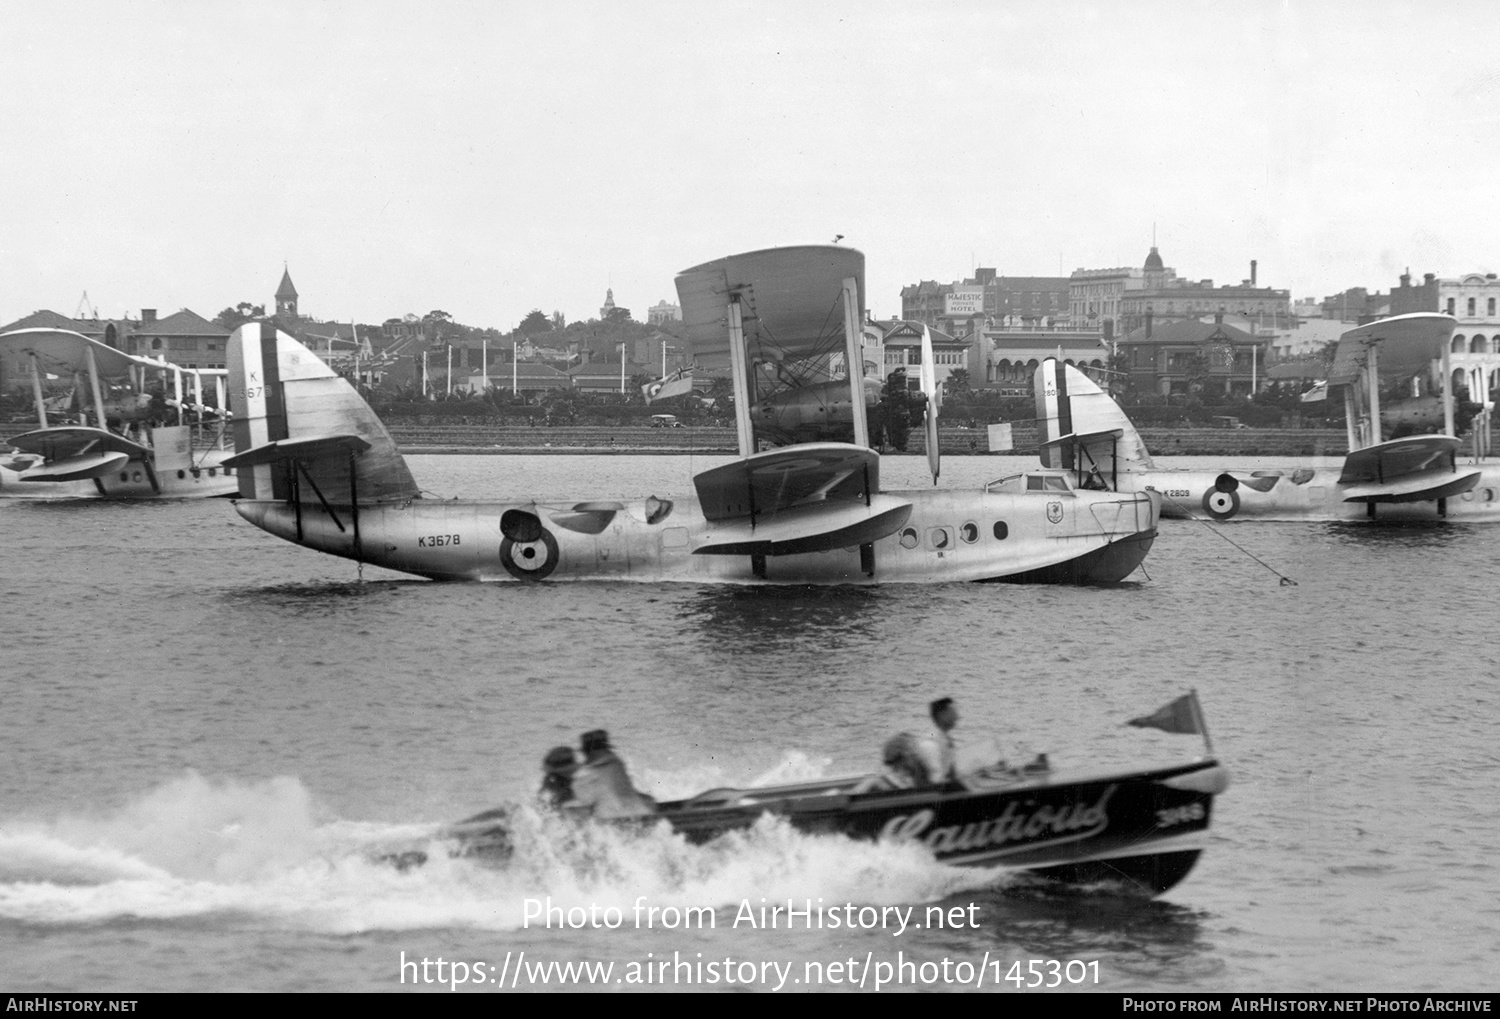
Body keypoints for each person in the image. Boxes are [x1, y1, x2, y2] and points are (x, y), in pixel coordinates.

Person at [565, 729, 656, 819]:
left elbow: (587, 801)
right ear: (606, 748)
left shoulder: (585, 772)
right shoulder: (617, 763)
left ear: (586, 752)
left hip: (611, 819)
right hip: (638, 812)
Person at [919, 697, 960, 786]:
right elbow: (936, 781)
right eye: (953, 712)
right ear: (942, 715)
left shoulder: (946, 738)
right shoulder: (930, 745)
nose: (957, 717)